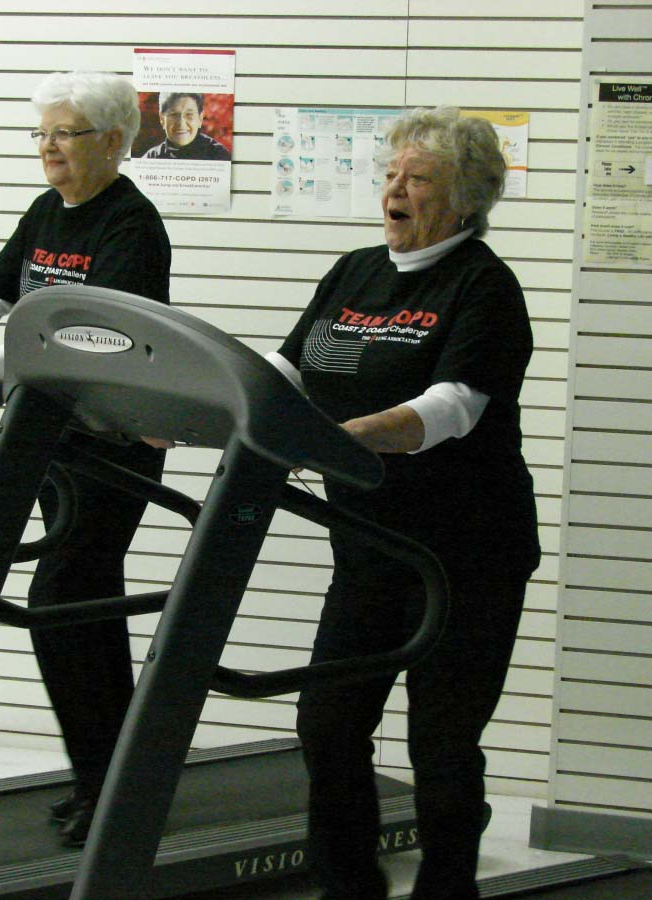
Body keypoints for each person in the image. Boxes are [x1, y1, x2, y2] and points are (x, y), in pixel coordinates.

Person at [267, 107, 540, 900]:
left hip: (468, 555)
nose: (395, 189)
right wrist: (211, 405)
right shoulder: (354, 270)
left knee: (443, 746)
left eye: (418, 179)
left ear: (464, 200)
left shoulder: (484, 285)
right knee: (328, 724)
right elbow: (289, 372)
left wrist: (348, 439)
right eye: (391, 174)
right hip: (370, 546)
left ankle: (448, 887)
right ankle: (348, 886)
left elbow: (453, 406)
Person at [0, 70, 171, 848]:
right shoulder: (44, 213)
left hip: (113, 442)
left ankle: (110, 785)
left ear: (115, 141)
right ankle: (101, 779)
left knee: (67, 600)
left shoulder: (132, 225)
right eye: (43, 134)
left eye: (66, 134)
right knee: (75, 609)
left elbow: (76, 336)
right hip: (49, 438)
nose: (49, 148)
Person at [141, 91, 231, 161]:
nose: (181, 123)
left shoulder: (217, 155)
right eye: (173, 115)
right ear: (162, 119)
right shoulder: (152, 157)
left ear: (200, 118)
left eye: (189, 115)